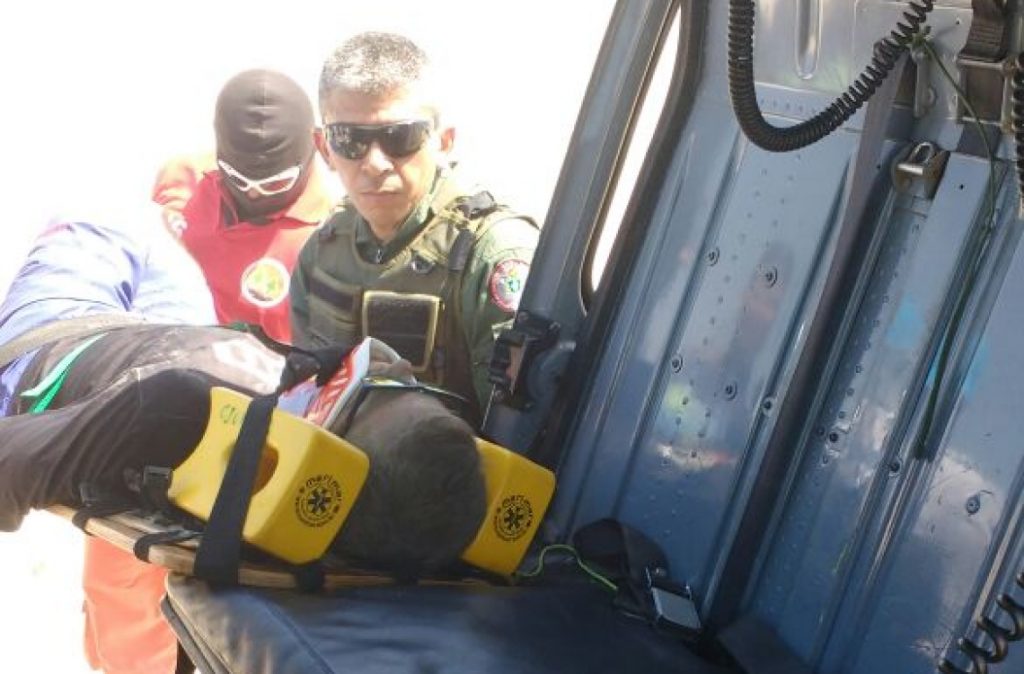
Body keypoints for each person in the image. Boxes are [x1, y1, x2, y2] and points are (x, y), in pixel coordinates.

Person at [0, 202, 220, 674]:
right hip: (173, 352)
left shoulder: (164, 408)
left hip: (53, 351)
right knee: (139, 230)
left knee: (102, 222)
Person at [290, 32, 540, 424]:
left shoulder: (490, 256)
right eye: (349, 139)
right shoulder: (322, 253)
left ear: (443, 141)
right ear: (324, 148)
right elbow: (303, 399)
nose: (374, 163)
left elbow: (515, 433)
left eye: (400, 137)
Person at [153, 69, 335, 343]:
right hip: (167, 360)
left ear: (316, 148)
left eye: (274, 183)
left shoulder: (329, 236)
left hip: (265, 380)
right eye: (238, 179)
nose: (253, 193)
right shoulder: (180, 182)